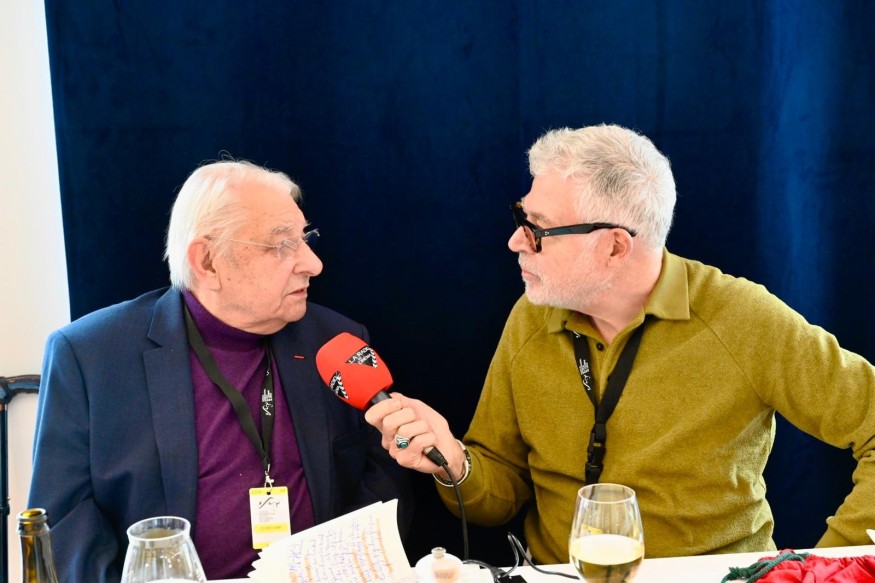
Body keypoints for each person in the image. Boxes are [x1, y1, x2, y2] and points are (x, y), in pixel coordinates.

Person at [365, 124, 875, 564]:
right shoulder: (531, 316)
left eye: (538, 228)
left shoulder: (741, 318)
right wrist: (456, 464)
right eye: (521, 217)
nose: (516, 241)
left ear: (613, 246)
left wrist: (825, 569)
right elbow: (497, 499)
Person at [28, 159, 412, 581]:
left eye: (305, 239)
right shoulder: (90, 356)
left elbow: (386, 478)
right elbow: (63, 524)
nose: (313, 263)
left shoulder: (337, 342)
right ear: (208, 262)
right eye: (282, 245)